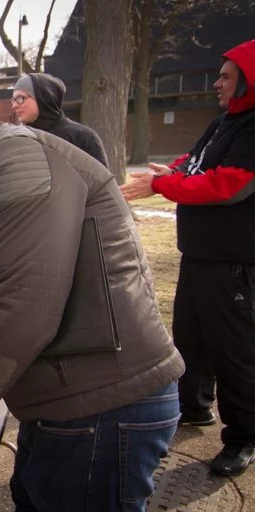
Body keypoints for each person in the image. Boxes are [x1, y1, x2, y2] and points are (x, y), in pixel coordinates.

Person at [0, 86, 184, 511]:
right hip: (80, 392)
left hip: (102, 401)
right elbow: (0, 302)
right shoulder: (2, 162)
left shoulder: (14, 163)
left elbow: (20, 305)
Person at [121, 39, 255, 476]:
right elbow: (195, 162)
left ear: (249, 82)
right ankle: (193, 408)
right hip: (198, 255)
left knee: (234, 351)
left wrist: (160, 186)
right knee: (190, 339)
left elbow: (228, 185)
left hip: (235, 263)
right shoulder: (222, 121)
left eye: (226, 77)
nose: (217, 83)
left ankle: (243, 437)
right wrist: (172, 172)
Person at [12, 73, 108, 167]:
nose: (14, 105)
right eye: (13, 100)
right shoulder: (19, 141)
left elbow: (101, 177)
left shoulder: (83, 138)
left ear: (43, 98)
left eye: (20, 98)